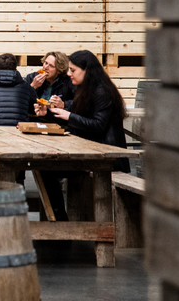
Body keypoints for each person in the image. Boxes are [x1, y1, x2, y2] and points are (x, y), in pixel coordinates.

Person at [37, 50, 131, 219]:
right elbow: (75, 113)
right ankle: (58, 221)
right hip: (92, 153)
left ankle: (60, 222)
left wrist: (69, 116)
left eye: (73, 70)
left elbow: (98, 125)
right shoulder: (86, 89)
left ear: (86, 70)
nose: (69, 74)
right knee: (43, 167)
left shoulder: (102, 91)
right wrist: (47, 113)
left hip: (106, 158)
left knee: (46, 169)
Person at [26, 51, 74, 120]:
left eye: (51, 66)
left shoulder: (68, 81)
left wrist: (64, 104)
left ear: (59, 70)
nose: (45, 67)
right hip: (32, 119)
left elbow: (80, 102)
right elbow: (19, 98)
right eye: (45, 63)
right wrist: (32, 87)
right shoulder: (31, 77)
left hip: (57, 121)